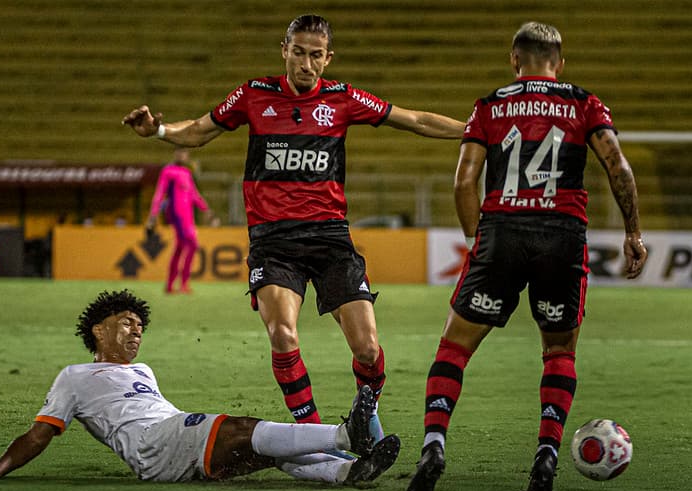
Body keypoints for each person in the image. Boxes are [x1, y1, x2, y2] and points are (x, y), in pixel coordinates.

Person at [122, 14, 465, 443]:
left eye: (315, 55)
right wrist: (157, 130)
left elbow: (413, 120)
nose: (305, 63)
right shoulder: (254, 95)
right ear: (285, 50)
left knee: (369, 349)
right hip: (274, 242)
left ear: (328, 58)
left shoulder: (343, 99)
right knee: (283, 335)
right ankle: (316, 439)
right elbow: (197, 132)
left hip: (330, 239)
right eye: (298, 52)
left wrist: (474, 130)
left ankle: (366, 414)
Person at [405, 22, 648, 491]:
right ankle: (546, 454)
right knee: (558, 351)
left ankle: (433, 446)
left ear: (515, 60)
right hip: (561, 237)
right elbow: (617, 165)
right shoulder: (583, 103)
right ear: (559, 62)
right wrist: (632, 232)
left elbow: (463, 180)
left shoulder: (490, 105)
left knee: (454, 347)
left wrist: (477, 239)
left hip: (502, 232)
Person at [0, 289, 401, 485]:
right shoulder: (74, 377)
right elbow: (40, 433)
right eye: (126, 323)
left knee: (269, 452)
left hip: (170, 434)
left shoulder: (143, 370)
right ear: (97, 331)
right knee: (242, 428)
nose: (136, 331)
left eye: (140, 325)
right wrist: (1, 467)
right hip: (152, 449)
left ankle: (345, 472)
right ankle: (346, 436)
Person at [147, 147, 212, 294]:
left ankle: (170, 285)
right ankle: (183, 284)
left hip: (188, 216)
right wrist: (153, 215)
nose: (182, 155)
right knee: (192, 244)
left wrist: (206, 209)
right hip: (177, 215)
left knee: (181, 247)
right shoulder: (168, 171)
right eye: (179, 152)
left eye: (185, 152)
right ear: (175, 153)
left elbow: (193, 194)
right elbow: (159, 193)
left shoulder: (186, 172)